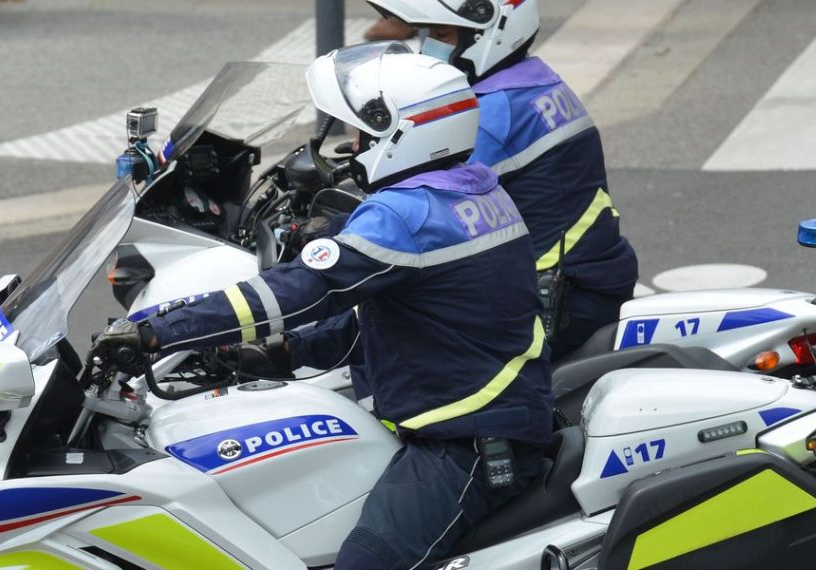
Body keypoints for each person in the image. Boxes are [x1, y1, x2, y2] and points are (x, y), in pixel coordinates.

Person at [92, 42, 553, 569]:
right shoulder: (475, 191)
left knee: (365, 560)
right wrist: (276, 355)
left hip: (468, 441)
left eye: (360, 133)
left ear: (401, 132)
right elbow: (404, 321)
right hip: (482, 413)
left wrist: (156, 330)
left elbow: (295, 291)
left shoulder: (408, 216)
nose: (352, 148)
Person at [366, 0, 639, 358]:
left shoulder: (492, 117)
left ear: (488, 34)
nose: (430, 46)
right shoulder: (533, 81)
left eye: (442, 34)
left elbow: (425, 203)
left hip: (556, 302)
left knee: (389, 335)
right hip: (590, 279)